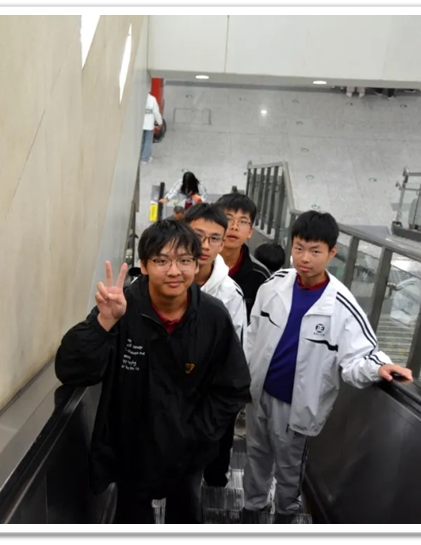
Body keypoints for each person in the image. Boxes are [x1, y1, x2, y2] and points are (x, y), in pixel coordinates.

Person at [54, 219, 251, 524]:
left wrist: (197, 434)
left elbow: (233, 385)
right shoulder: (122, 308)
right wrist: (103, 324)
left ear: (196, 264)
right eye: (161, 261)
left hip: (188, 453)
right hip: (131, 451)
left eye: (184, 260)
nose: (174, 271)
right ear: (144, 266)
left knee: (185, 518)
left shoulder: (213, 317)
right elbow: (72, 370)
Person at [240, 210, 413, 524]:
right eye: (299, 248)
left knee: (290, 467)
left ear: (332, 252)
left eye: (315, 251)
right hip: (259, 394)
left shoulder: (341, 304)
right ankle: (252, 508)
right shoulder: (274, 285)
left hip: (297, 405)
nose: (305, 258)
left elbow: (359, 354)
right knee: (255, 455)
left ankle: (285, 516)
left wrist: (379, 367)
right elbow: (253, 335)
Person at [183, 203, 248, 489]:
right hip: (169, 395)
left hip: (209, 396)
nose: (205, 246)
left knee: (211, 459)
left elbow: (234, 355)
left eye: (214, 239)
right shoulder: (166, 279)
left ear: (223, 243)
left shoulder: (230, 293)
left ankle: (215, 484)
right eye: (198, 236)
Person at [214, 193, 271, 322]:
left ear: (250, 232)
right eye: (228, 219)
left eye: (243, 222)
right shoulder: (198, 266)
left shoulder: (260, 275)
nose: (234, 227)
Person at [142, 93, 163, 163]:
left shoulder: (139, 98)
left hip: (141, 124)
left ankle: (141, 155)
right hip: (149, 124)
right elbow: (156, 113)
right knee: (148, 141)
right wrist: (159, 122)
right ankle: (145, 158)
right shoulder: (152, 99)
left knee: (142, 141)